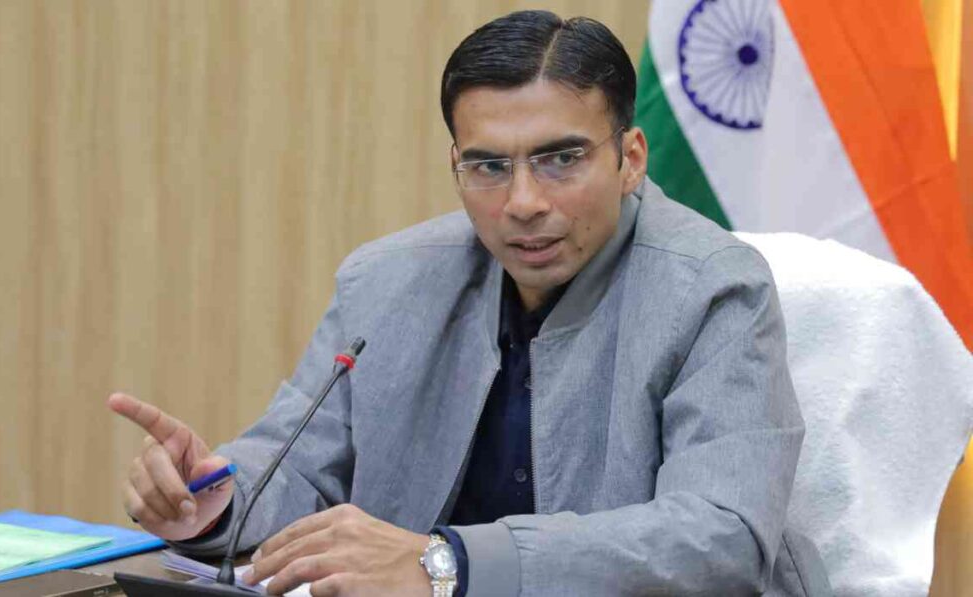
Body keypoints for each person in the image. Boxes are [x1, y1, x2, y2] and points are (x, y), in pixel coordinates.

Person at [108, 10, 831, 597]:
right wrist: (220, 502)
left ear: (631, 158)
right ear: (456, 165)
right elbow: (299, 465)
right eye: (489, 165)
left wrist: (446, 564)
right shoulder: (386, 281)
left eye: (561, 159)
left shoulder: (714, 287)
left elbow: (721, 535)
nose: (523, 202)